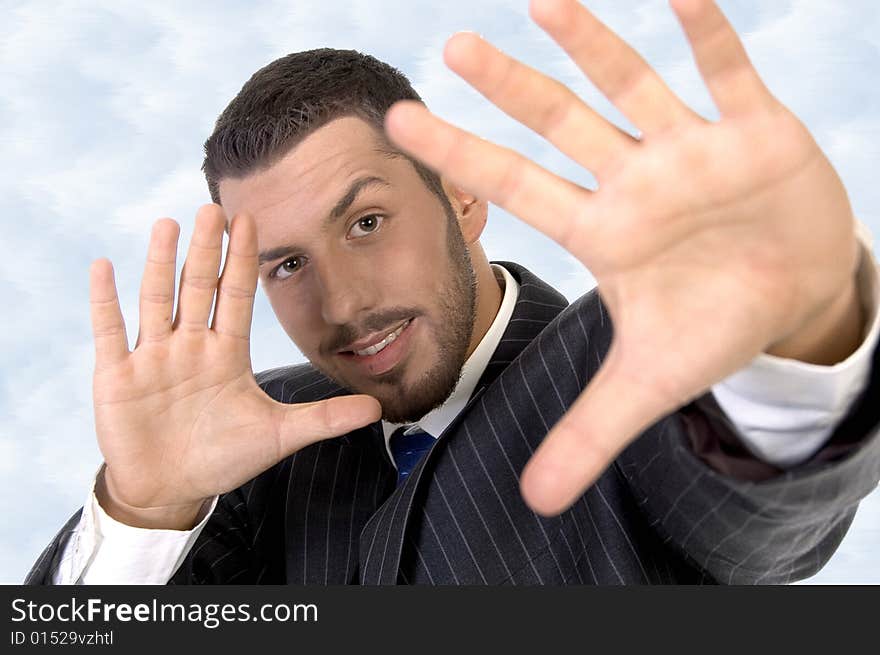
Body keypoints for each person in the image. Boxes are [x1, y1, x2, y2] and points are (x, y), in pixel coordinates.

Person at [26, 0, 880, 585]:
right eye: (287, 264)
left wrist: (795, 324)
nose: (345, 303)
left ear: (462, 196)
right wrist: (144, 508)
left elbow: (754, 490)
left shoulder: (623, 360)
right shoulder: (246, 447)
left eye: (365, 222)